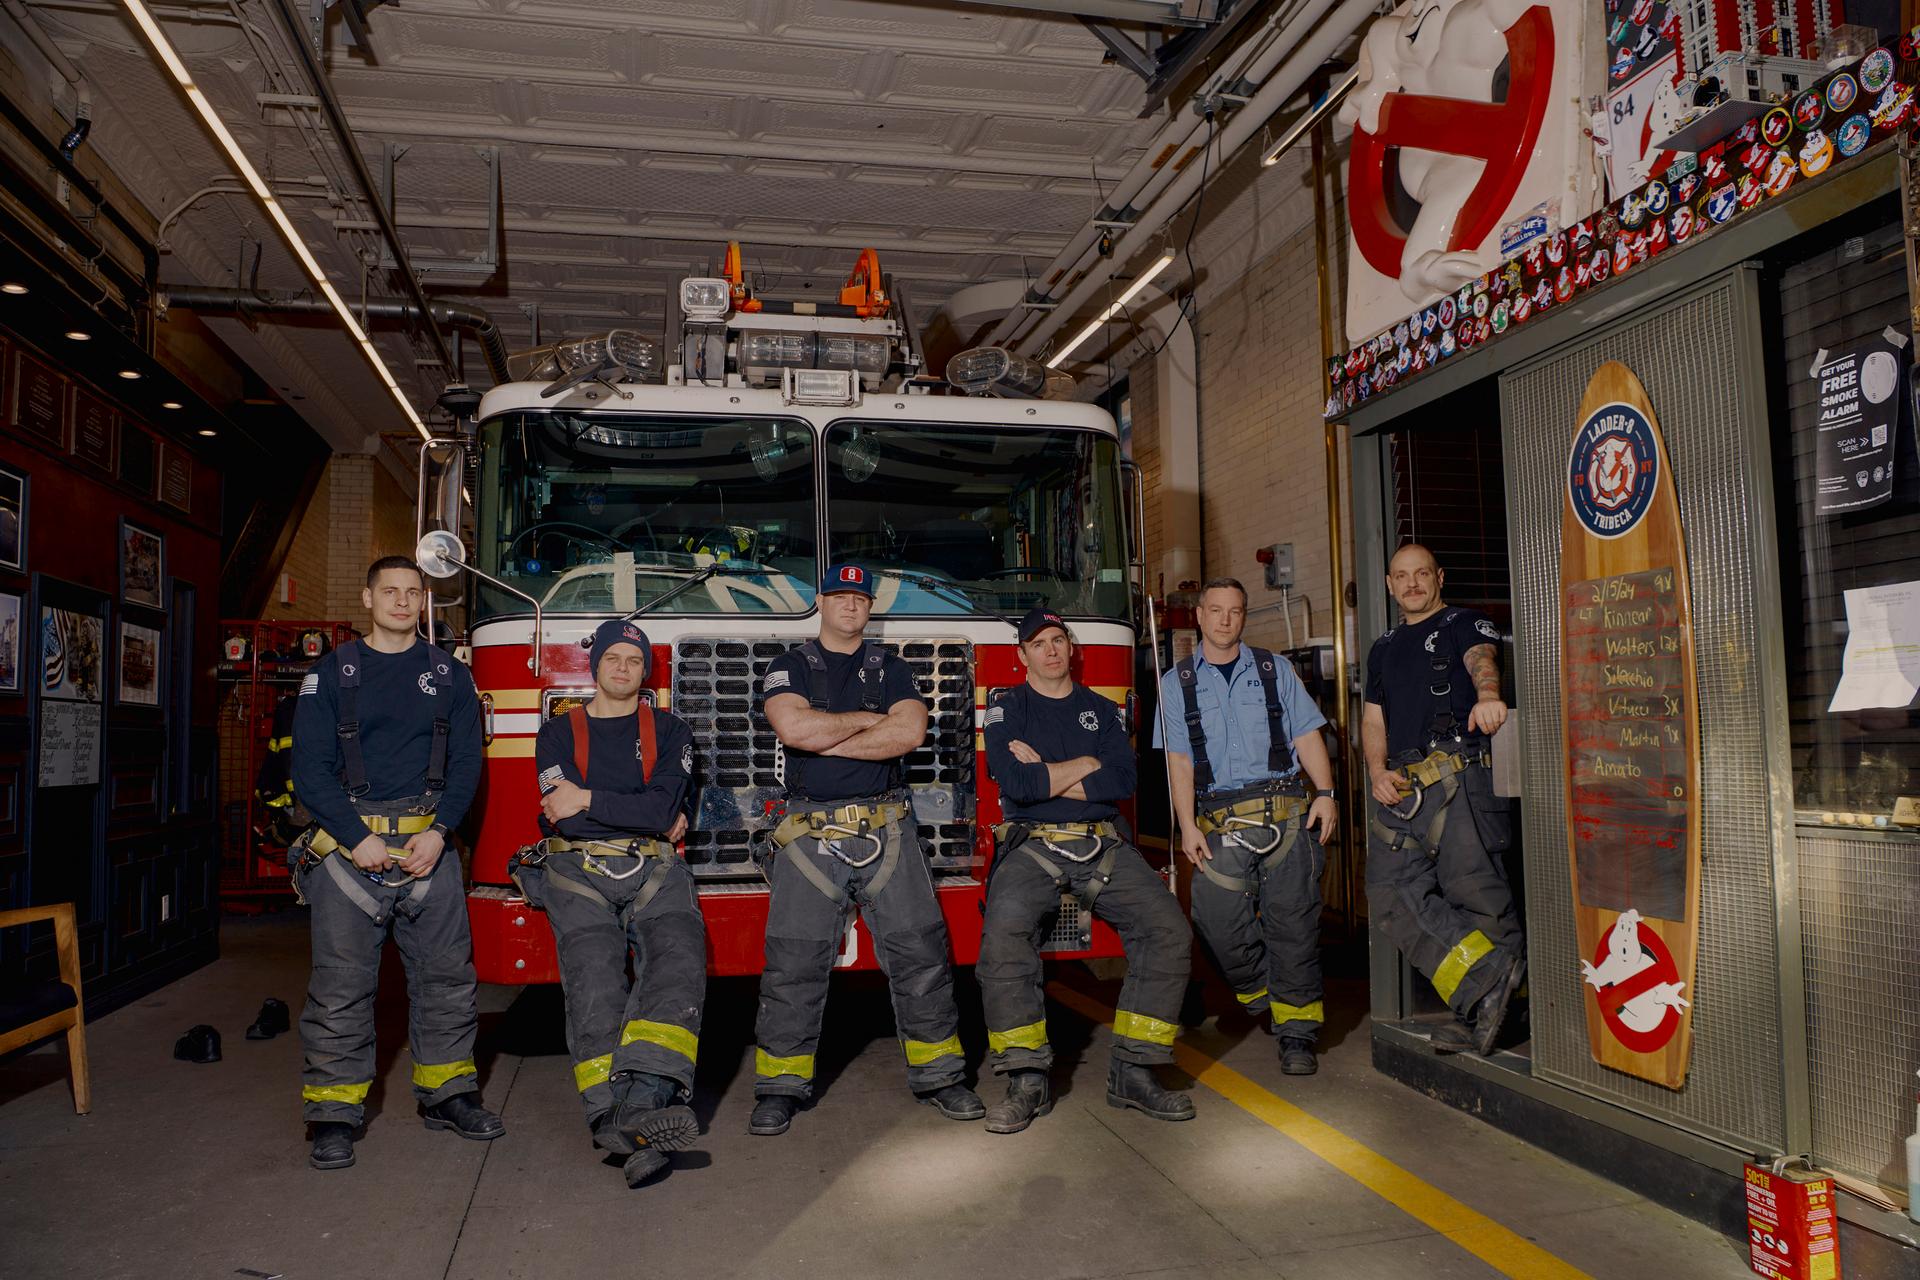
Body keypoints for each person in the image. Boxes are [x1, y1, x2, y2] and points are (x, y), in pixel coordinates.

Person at [748, 562, 983, 1136]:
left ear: (868, 608)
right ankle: (779, 1088)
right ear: (821, 603)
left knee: (921, 956)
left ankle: (943, 1077)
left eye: (860, 598)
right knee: (794, 965)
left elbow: (907, 735)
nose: (850, 605)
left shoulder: (893, 666)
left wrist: (826, 732)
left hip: (889, 830)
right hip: (809, 837)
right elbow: (793, 731)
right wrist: (864, 724)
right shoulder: (788, 666)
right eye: (839, 596)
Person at [289, 555, 499, 1171]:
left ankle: (449, 1095)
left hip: (429, 851)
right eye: (391, 591)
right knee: (341, 987)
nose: (402, 601)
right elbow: (310, 771)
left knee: (447, 982)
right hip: (351, 853)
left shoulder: (451, 677)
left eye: (413, 592)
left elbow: (467, 764)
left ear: (423, 602)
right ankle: (332, 1114)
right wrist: (356, 838)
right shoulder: (331, 676)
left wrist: (441, 831)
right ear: (368, 598)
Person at [979, 607, 1195, 1133]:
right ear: (1021, 655)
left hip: (1103, 844)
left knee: (1167, 931)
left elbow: (1122, 781)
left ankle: (1136, 1072)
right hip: (1032, 847)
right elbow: (1016, 784)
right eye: (1039, 643)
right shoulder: (1005, 712)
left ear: (1071, 649)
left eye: (1059, 640)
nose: (1051, 649)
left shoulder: (1103, 710)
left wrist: (1049, 773)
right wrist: (1085, 766)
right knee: (1005, 932)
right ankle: (1025, 1079)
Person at [516, 619, 705, 1189]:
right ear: (594, 665)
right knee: (595, 975)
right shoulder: (555, 734)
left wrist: (594, 797)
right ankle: (614, 1114)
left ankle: (631, 1116)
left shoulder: (672, 732)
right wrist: (638, 807)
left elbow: (659, 812)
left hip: (655, 867)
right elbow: (563, 816)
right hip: (575, 869)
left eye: (634, 661)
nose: (623, 669)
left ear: (646, 673)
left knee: (678, 963)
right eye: (613, 658)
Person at [1157, 578, 1338, 1076]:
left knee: (1294, 928)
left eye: (1234, 611)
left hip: (1286, 814)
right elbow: (1179, 761)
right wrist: (1187, 826)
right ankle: (1270, 999)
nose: (1224, 620)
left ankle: (1297, 1035)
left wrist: (1325, 793)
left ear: (1243, 617)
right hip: (1220, 823)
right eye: (1215, 610)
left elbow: (1306, 733)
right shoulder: (1176, 684)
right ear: (1199, 615)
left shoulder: (1274, 670)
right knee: (1214, 923)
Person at [1363, 543, 1525, 1056]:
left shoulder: (1464, 623)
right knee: (1391, 895)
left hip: (1458, 776)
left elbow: (1483, 659)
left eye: (1421, 574)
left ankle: (1495, 1015)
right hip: (1405, 790)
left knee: (1476, 894)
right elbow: (1373, 720)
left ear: (1439, 577)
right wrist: (1375, 771)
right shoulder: (1383, 647)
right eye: (1401, 576)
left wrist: (1487, 697)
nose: (1411, 584)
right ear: (1390, 585)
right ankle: (1486, 988)